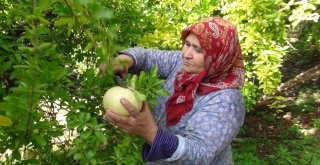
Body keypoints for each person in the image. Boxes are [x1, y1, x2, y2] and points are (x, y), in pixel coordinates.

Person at [100, 17, 245, 164]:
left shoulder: (226, 100)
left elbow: (199, 155)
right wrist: (126, 60)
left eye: (198, 50)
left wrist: (150, 132)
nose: (186, 54)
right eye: (187, 44)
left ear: (218, 57)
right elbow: (149, 57)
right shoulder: (183, 65)